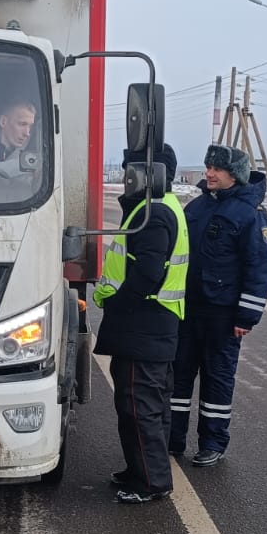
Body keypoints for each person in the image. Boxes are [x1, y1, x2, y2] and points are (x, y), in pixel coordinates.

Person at [93, 144, 189, 505]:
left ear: (151, 175)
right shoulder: (158, 209)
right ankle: (140, 470)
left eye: (129, 170)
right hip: (151, 328)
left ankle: (151, 482)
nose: (124, 176)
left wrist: (118, 303)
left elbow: (148, 273)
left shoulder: (153, 214)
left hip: (143, 327)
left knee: (141, 407)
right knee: (148, 405)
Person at [169, 143, 267, 467]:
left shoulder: (250, 214)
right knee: (178, 375)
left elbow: (260, 268)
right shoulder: (197, 208)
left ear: (235, 175)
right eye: (208, 167)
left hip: (224, 314)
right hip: (188, 310)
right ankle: (171, 438)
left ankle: (212, 442)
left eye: (217, 169)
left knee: (217, 378)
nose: (209, 173)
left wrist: (247, 315)